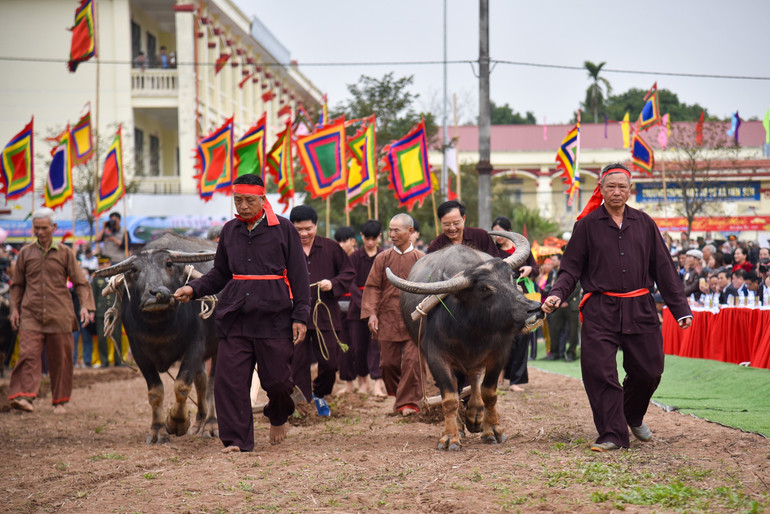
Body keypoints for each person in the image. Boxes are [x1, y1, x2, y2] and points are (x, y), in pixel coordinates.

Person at [542, 163, 692, 452]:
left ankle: (631, 415)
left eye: (622, 186)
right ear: (600, 188)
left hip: (641, 307)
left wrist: (680, 308)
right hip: (601, 308)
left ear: (630, 189)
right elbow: (570, 269)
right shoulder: (586, 226)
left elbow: (664, 269)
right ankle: (612, 433)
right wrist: (557, 294)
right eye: (611, 186)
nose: (617, 192)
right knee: (599, 371)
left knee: (650, 370)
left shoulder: (645, 223)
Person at [173, 175, 310, 452]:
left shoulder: (283, 229)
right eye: (238, 200)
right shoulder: (230, 231)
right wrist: (194, 289)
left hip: (274, 316)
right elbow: (221, 274)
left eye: (250, 200)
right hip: (236, 316)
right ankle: (237, 441)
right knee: (230, 383)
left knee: (279, 382)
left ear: (263, 199)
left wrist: (300, 317)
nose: (244, 206)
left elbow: (299, 276)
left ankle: (279, 414)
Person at [8, 208, 95, 414]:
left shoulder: (66, 253)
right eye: (36, 228)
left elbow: (81, 283)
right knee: (28, 354)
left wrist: (85, 306)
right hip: (31, 313)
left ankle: (59, 401)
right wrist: (14, 309)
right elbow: (17, 285)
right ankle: (25, 397)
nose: (40, 232)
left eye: (44, 228)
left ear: (54, 228)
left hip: (60, 314)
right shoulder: (25, 253)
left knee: (62, 359)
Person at [289, 205, 355, 417]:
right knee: (297, 363)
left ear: (316, 225)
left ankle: (319, 394)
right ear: (291, 227)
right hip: (294, 316)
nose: (304, 234)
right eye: (298, 229)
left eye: (308, 228)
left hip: (325, 314)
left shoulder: (331, 248)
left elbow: (348, 272)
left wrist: (333, 283)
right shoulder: (285, 249)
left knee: (330, 362)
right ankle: (302, 403)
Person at [361, 214, 425, 415]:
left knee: (413, 362)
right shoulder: (383, 258)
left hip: (415, 319)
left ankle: (409, 403)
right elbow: (372, 287)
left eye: (397, 230)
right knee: (387, 364)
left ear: (411, 232)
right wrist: (372, 313)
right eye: (390, 230)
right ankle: (400, 396)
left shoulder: (422, 259)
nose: (392, 234)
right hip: (387, 317)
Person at [337, 220, 386, 397]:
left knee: (377, 347)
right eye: (367, 238)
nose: (371, 242)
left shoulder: (384, 256)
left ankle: (378, 384)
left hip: (380, 310)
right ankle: (363, 381)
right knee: (358, 348)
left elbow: (387, 284)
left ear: (379, 237)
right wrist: (365, 306)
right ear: (361, 237)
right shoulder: (354, 258)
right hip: (356, 310)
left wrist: (377, 306)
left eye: (374, 238)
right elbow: (350, 283)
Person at [334, 225, 359, 395]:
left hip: (358, 304)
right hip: (339, 305)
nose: (342, 245)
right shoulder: (334, 260)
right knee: (343, 346)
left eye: (345, 241)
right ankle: (349, 383)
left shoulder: (359, 258)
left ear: (353, 241)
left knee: (360, 345)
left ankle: (366, 381)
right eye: (339, 241)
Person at [427, 200, 500, 256]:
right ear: (440, 221)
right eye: (447, 224)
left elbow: (495, 263)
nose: (452, 228)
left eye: (456, 223)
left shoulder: (481, 236)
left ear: (464, 218)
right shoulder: (435, 248)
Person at [91, 257, 123, 367]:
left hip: (115, 310)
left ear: (109, 263)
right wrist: (92, 311)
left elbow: (122, 294)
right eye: (101, 264)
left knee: (117, 336)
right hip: (101, 311)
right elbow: (93, 295)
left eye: (105, 264)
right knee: (101, 337)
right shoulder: (96, 278)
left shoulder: (117, 277)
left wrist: (122, 308)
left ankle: (118, 361)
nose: (103, 266)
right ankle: (104, 361)